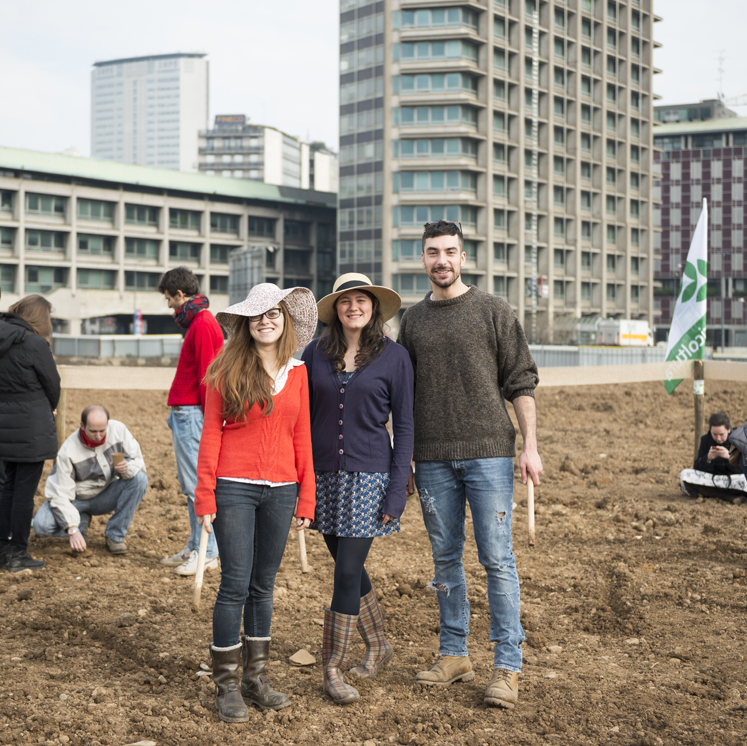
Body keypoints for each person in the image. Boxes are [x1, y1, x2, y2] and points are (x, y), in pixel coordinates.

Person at [398, 220, 542, 710]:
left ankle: (508, 666)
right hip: (433, 459)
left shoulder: (493, 311)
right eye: (433, 251)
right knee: (444, 559)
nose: (442, 260)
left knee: (497, 559)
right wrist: (408, 458)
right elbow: (404, 398)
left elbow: (521, 382)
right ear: (423, 258)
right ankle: (454, 653)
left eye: (450, 251)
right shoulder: (412, 323)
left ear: (463, 257)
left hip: (491, 456)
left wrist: (531, 446)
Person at [194, 283, 318, 723]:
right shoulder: (225, 369)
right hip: (233, 487)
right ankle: (226, 683)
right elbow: (211, 433)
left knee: (263, 586)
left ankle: (256, 678)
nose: (266, 320)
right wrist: (204, 495)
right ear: (247, 323)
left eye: (274, 314)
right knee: (235, 584)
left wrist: (307, 495)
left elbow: (301, 435)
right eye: (258, 315)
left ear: (285, 321)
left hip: (282, 491)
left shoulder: (299, 372)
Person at [302, 273, 414, 705]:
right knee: (349, 565)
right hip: (323, 475)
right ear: (335, 310)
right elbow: (302, 414)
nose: (353, 307)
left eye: (362, 300)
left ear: (374, 308)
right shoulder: (315, 353)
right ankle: (380, 644)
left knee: (346, 571)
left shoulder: (395, 357)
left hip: (370, 477)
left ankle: (331, 668)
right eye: (345, 301)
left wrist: (396, 492)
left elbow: (403, 427)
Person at [158, 267, 224, 576]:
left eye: (169, 298)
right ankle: (196, 545)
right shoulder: (200, 322)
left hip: (193, 415)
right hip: (187, 414)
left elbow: (208, 379)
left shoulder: (202, 324)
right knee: (190, 485)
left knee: (196, 485)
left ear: (181, 295)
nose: (169, 304)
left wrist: (209, 421)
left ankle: (207, 551)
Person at [33, 405, 148, 554]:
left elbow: (137, 460)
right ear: (82, 426)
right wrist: (72, 529)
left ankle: (115, 536)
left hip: (106, 495)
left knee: (140, 479)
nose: (98, 436)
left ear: (108, 423)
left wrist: (127, 468)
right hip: (76, 500)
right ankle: (80, 522)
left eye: (102, 431)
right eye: (93, 431)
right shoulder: (69, 450)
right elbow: (58, 493)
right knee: (41, 525)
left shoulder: (119, 430)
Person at [0, 295, 60, 572]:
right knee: (24, 492)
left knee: (6, 489)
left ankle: (3, 549)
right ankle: (19, 552)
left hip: (4, 426)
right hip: (31, 429)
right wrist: (51, 406)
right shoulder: (35, 344)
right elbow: (52, 383)